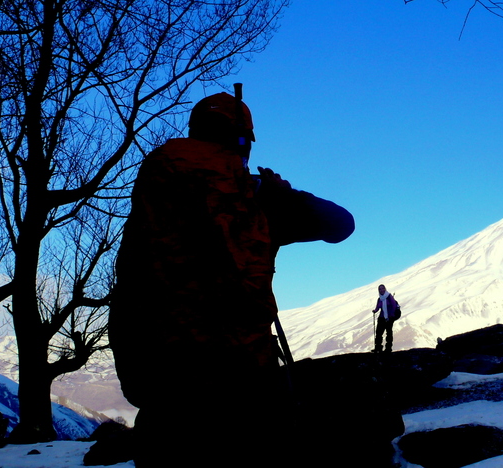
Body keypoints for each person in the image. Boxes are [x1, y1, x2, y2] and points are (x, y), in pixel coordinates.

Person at [108, 90, 355, 467]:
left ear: (194, 132)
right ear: (243, 140)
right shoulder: (255, 198)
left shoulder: (149, 203)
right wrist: (284, 195)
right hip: (244, 387)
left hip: (166, 389)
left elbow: (127, 294)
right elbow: (340, 224)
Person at [372, 284, 398, 353]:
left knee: (388, 333)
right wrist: (375, 311)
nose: (381, 290)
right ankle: (378, 347)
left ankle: (388, 348)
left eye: (382, 288)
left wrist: (391, 315)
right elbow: (377, 307)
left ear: (385, 289)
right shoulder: (380, 299)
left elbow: (394, 305)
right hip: (381, 317)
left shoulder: (389, 297)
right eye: (380, 289)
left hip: (389, 317)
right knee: (378, 333)